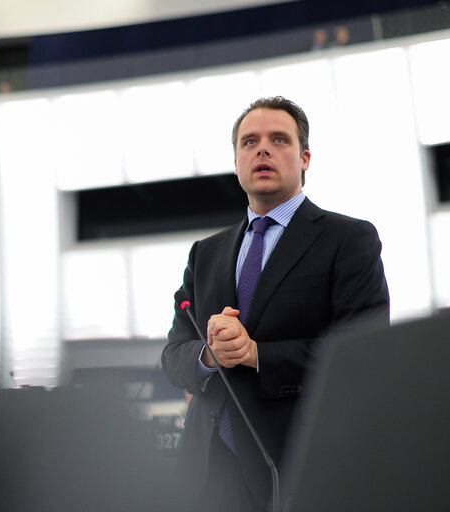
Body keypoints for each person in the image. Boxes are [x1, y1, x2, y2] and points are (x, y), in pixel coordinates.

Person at [161, 96, 389, 511]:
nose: (262, 149)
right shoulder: (205, 254)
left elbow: (363, 353)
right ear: (236, 162)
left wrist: (256, 354)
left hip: (297, 465)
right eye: (249, 142)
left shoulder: (348, 239)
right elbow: (174, 355)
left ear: (304, 158)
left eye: (278, 140)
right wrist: (210, 356)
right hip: (207, 473)